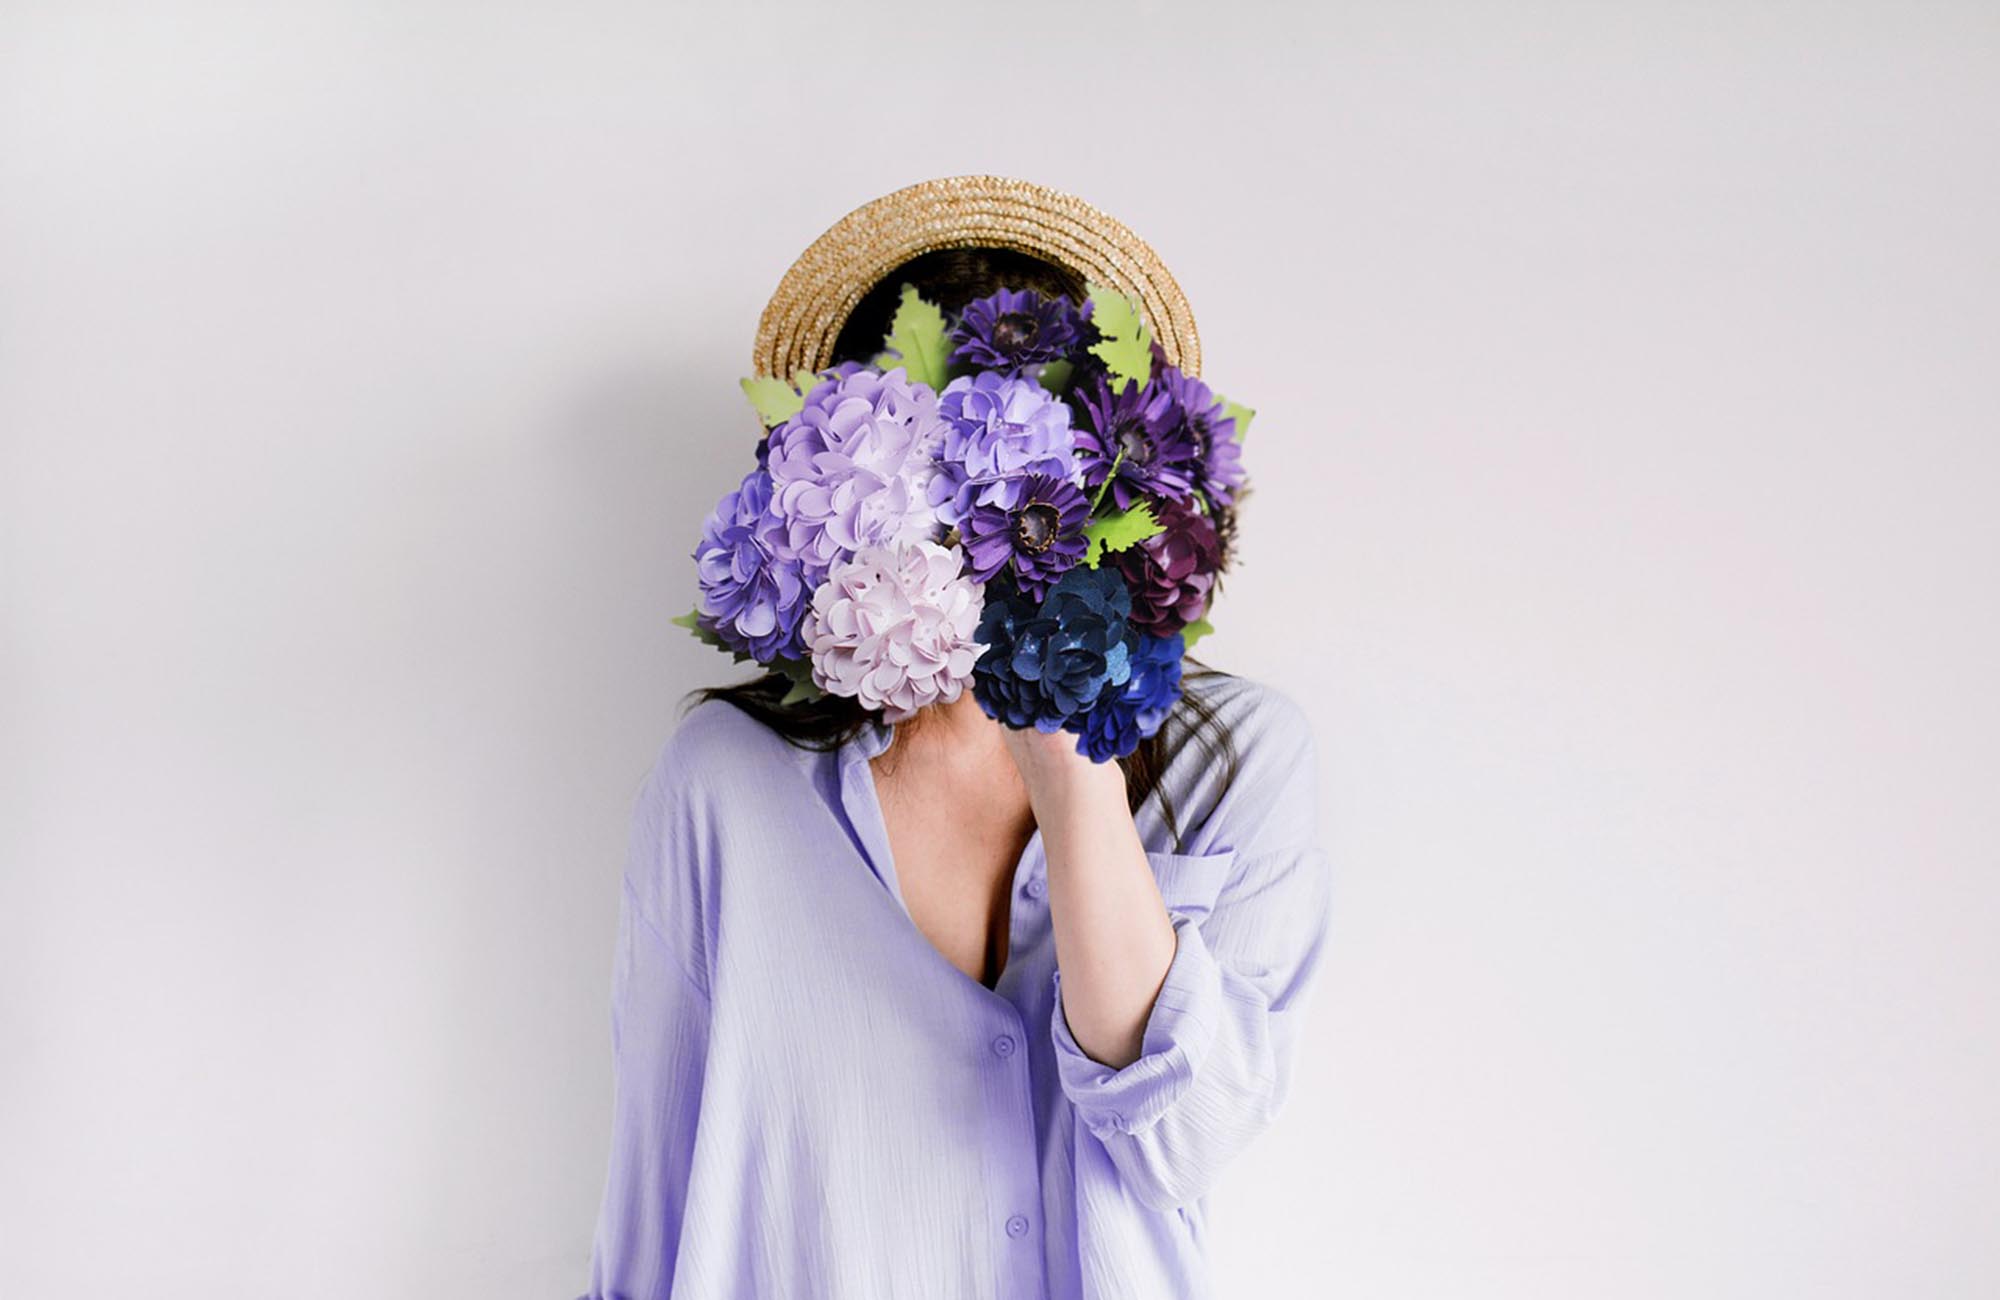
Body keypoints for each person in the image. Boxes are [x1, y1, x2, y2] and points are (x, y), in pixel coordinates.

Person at [578, 191, 1333, 1300]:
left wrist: (1067, 746)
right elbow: (656, 1185)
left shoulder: (1241, 761)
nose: (977, 528)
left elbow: (1182, 1140)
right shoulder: (726, 787)